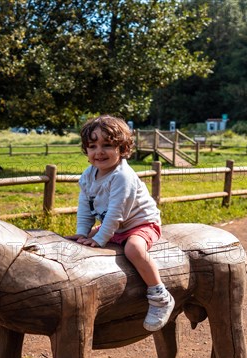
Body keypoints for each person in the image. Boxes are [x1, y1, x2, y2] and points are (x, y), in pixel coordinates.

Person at [66, 115, 174, 331]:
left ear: (122, 148)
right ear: (86, 150)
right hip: (115, 225)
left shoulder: (122, 176)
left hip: (140, 223)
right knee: (79, 243)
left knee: (133, 249)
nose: (99, 152)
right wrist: (82, 233)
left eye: (107, 145)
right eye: (92, 146)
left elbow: (117, 212)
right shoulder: (88, 176)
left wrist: (99, 238)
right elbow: (85, 209)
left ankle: (159, 295)